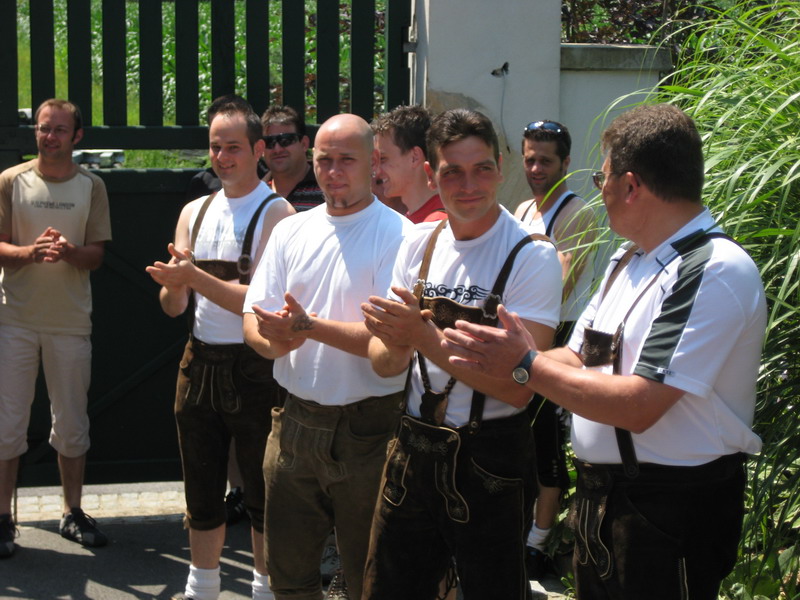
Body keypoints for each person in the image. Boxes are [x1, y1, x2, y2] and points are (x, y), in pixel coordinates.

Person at [442, 104, 767, 600]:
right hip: (607, 504)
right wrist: (489, 357)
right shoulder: (630, 258)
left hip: (667, 512)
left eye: (603, 177)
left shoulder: (712, 270)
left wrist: (523, 366)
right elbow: (579, 357)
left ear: (631, 185)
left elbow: (639, 405)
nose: (600, 190)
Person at [360, 108, 563, 600]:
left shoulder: (532, 256)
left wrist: (421, 335)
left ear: (500, 168)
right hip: (412, 449)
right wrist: (394, 340)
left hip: (490, 462)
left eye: (482, 169)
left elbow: (520, 389)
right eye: (453, 172)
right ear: (431, 175)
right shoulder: (418, 244)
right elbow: (383, 362)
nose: (469, 185)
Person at [243, 113, 410, 600]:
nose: (333, 171)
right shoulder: (290, 231)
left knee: (368, 580)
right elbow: (253, 318)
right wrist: (276, 341)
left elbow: (389, 346)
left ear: (374, 163)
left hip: (370, 431)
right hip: (294, 423)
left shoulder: (401, 236)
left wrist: (306, 328)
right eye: (324, 160)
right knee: (288, 578)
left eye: (346, 160)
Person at [147, 96, 294, 600]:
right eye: (215, 147)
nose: (222, 157)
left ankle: (264, 588)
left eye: (233, 147)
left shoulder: (278, 214)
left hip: (254, 368)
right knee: (202, 488)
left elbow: (261, 303)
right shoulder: (195, 210)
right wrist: (174, 285)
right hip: (199, 361)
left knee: (262, 490)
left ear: (258, 150)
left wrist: (192, 278)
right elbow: (173, 308)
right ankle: (201, 587)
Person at [0, 98, 112, 557]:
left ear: (77, 136)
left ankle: (72, 511)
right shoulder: (11, 180)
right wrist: (29, 253)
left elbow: (97, 255)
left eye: (60, 130)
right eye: (44, 128)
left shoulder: (92, 186)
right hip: (15, 320)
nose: (50, 137)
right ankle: (3, 517)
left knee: (71, 422)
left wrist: (69, 252)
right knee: (7, 423)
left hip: (69, 323)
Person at [514, 119, 598, 578]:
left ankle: (538, 544)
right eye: (530, 159)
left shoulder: (576, 212)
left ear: (566, 163)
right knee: (519, 437)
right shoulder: (524, 208)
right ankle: (522, 531)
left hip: (557, 334)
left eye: (545, 161)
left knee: (545, 439)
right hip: (523, 329)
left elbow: (559, 286)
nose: (536, 168)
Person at [372, 105, 446, 223]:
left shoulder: (439, 224)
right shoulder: (406, 221)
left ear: (414, 157)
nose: (376, 171)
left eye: (383, 159)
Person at [260, 105, 325, 212]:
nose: (277, 149)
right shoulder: (254, 194)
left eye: (285, 140)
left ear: (304, 144)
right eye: (269, 142)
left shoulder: (327, 187)